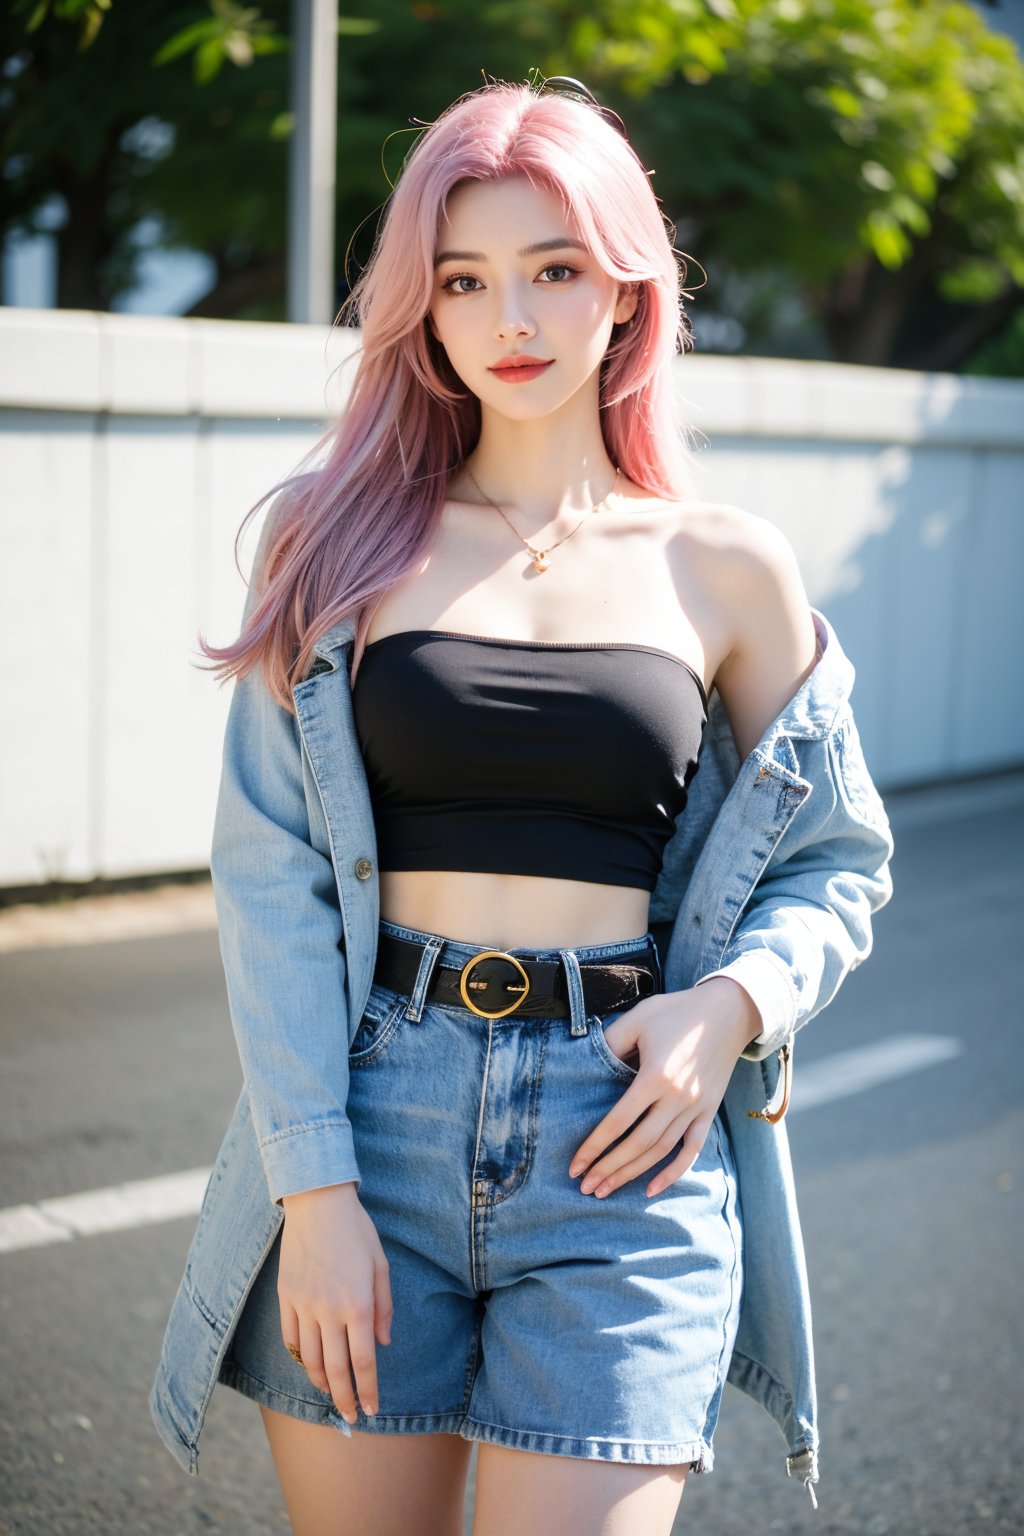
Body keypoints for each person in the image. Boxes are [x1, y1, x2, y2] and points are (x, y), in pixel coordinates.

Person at [149, 78, 894, 1536]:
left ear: (627, 289)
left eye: (556, 270)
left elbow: (839, 861)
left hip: (627, 1140)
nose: (516, 319)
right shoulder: (335, 544)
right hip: (374, 1123)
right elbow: (273, 880)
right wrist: (315, 1197)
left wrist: (731, 1005)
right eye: (466, 281)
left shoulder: (727, 568)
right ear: (420, 314)